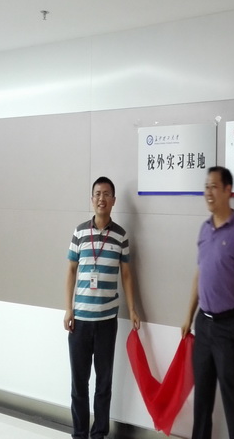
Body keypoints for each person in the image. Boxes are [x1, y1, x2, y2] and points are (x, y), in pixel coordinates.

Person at [181, 166, 234, 439]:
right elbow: (199, 274)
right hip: (204, 323)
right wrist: (189, 316)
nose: (208, 192)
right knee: (202, 397)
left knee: (233, 397)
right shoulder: (204, 229)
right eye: (206, 186)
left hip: (228, 326)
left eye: (214, 186)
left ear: (228, 190)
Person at [64, 176, 140, 439]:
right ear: (91, 199)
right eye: (97, 194)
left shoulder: (121, 235)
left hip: (107, 320)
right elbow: (70, 271)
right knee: (79, 383)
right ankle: (79, 434)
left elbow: (127, 274)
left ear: (113, 200)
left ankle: (98, 434)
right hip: (80, 321)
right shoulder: (79, 233)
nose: (101, 198)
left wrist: (133, 309)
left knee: (103, 384)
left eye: (106, 194)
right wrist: (68, 309)